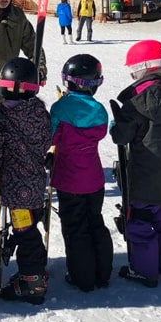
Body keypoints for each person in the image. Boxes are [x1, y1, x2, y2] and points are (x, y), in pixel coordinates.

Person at [109, 40, 161, 288]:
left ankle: (145, 270)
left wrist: (118, 125)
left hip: (143, 176)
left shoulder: (136, 103)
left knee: (141, 223)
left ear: (143, 68)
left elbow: (122, 137)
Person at [0, 57, 53, 304]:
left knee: (26, 234)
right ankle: (37, 269)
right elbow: (46, 143)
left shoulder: (1, 117)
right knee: (30, 229)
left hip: (14, 190)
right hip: (34, 184)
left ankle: (32, 282)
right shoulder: (40, 112)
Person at [50, 54, 112, 292]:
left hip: (69, 178)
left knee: (76, 227)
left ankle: (83, 277)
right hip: (94, 177)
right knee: (95, 220)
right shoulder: (99, 110)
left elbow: (51, 137)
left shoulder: (60, 107)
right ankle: (102, 273)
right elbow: (100, 133)